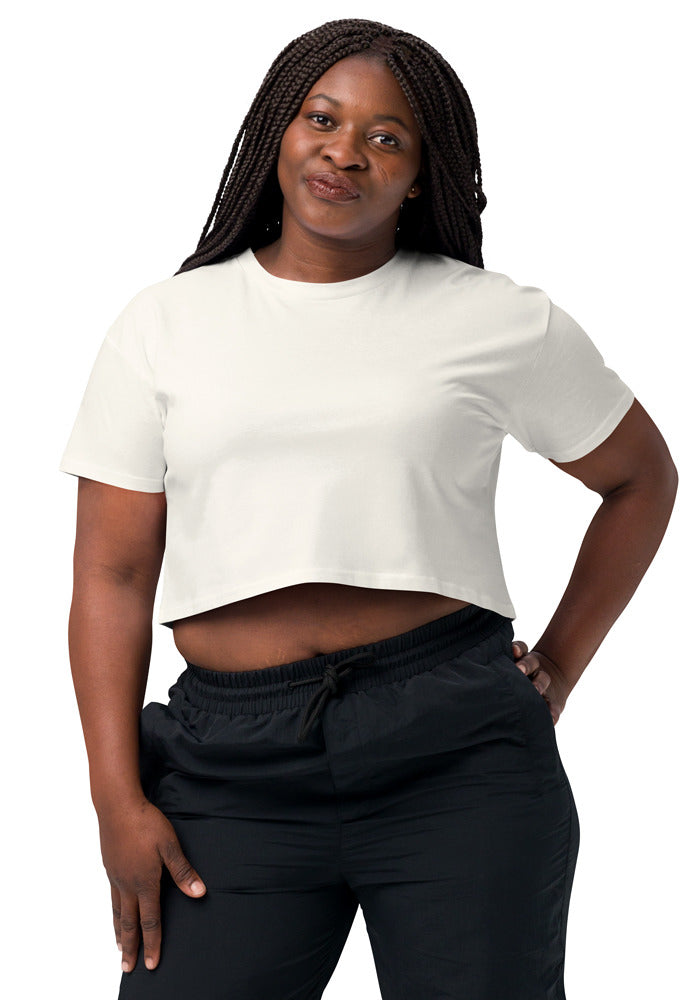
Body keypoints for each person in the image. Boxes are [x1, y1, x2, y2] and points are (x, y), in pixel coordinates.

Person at [59, 17, 677, 1000]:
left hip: (456, 754)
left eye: (386, 137)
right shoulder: (164, 324)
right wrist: (113, 795)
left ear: (423, 174)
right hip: (228, 768)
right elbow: (113, 571)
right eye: (322, 119)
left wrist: (560, 664)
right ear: (278, 131)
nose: (344, 151)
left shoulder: (493, 318)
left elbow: (641, 478)